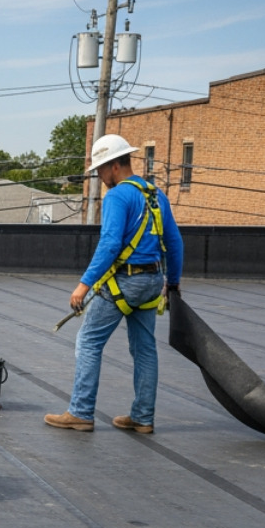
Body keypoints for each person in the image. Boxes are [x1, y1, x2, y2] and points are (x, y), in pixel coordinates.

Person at [45, 134, 184, 434]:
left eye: (100, 170)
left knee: (89, 342)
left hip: (124, 283)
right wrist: (172, 284)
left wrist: (84, 285)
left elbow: (109, 244)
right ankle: (143, 417)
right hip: (152, 281)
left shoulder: (118, 197)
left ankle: (81, 413)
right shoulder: (157, 196)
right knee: (145, 349)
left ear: (112, 166)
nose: (99, 177)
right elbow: (174, 243)